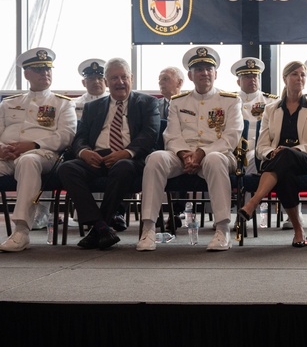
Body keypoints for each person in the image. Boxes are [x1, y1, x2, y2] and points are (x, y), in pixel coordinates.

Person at [136, 46, 243, 252]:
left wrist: (202, 153)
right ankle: (148, 228)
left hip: (218, 155)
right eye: (200, 69)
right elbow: (172, 135)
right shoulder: (179, 101)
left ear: (215, 73)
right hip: (182, 155)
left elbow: (231, 137)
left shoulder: (230, 100)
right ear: (190, 75)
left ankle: (222, 230)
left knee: (214, 159)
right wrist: (185, 154)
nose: (205, 73)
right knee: (155, 158)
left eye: (209, 69)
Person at [58, 58, 160, 249]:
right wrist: (83, 152)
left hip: (130, 160)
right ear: (106, 81)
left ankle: (98, 227)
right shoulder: (93, 107)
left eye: (124, 77)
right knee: (67, 168)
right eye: (114, 78)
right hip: (97, 159)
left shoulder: (147, 103)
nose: (119, 82)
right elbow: (80, 137)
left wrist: (126, 152)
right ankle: (101, 226)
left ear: (132, 78)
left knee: (122, 167)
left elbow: (150, 135)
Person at [237, 61, 307, 247]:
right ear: (285, 78)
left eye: (303, 75)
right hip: (279, 162)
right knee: (284, 174)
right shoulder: (271, 109)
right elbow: (262, 146)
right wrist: (273, 152)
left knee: (287, 155)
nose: (300, 78)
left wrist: (294, 150)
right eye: (295, 74)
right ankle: (299, 231)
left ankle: (254, 201)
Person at [0, 48, 76, 252]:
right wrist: (1, 150)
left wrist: (33, 145)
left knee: (28, 161)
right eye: (39, 69)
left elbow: (66, 135)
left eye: (48, 69)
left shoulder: (62, 104)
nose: (45, 73)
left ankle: (21, 231)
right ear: (27, 74)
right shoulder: (9, 103)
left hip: (44, 155)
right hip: (7, 156)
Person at [232, 57, 277, 176]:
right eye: (247, 77)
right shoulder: (230, 100)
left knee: (253, 159)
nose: (252, 80)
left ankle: (251, 195)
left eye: (255, 76)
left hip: (257, 148)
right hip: (232, 148)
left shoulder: (271, 101)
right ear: (238, 81)